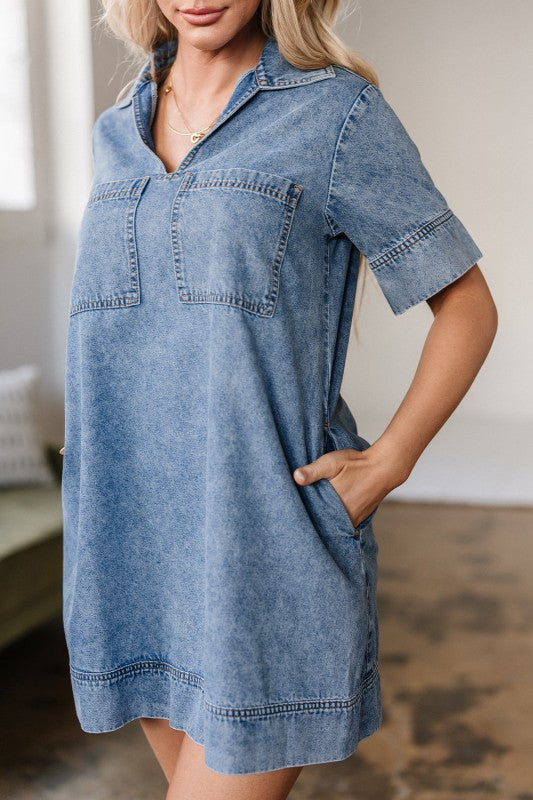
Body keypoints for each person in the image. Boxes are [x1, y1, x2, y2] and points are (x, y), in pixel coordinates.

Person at [59, 1, 497, 798]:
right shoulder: (116, 129)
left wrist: (387, 462)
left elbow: (466, 306)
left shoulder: (333, 112)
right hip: (132, 555)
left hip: (263, 551)